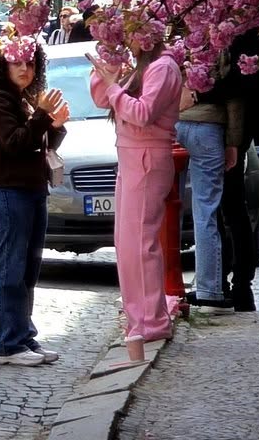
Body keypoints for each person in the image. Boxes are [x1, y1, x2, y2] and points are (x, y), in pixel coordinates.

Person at [0, 37, 69, 365]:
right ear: (3, 66)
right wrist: (41, 116)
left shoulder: (20, 98)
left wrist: (55, 125)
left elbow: (36, 143)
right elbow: (15, 144)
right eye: (17, 63)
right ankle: (6, 343)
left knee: (26, 269)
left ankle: (22, 335)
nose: (24, 69)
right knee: (9, 266)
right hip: (8, 189)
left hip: (29, 187)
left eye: (30, 62)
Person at [91, 38, 183, 364]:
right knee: (127, 243)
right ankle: (140, 317)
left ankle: (151, 321)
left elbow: (142, 113)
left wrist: (116, 86)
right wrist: (109, 67)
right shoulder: (141, 66)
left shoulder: (163, 66)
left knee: (140, 242)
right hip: (132, 155)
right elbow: (103, 98)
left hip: (146, 154)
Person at [175, 44, 245, 310]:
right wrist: (233, 143)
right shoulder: (222, 48)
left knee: (168, 207)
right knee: (205, 210)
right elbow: (234, 99)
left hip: (175, 124)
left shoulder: (177, 47)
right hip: (209, 128)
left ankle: (166, 285)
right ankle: (208, 289)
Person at [215, 29, 259, 311]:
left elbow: (241, 90)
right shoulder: (247, 34)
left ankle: (234, 284)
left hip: (232, 130)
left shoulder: (244, 38)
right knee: (231, 207)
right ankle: (233, 284)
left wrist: (235, 141)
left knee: (229, 207)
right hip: (235, 129)